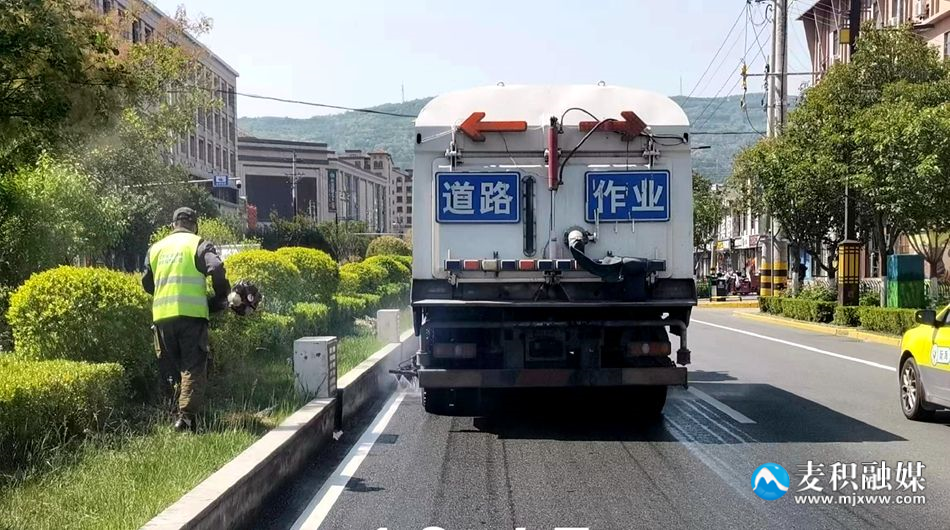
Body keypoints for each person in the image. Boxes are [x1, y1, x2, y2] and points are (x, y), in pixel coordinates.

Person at [142, 207, 230, 432]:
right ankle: (186, 418)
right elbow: (216, 267)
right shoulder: (198, 244)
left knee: (171, 367)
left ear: (173, 225)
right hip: (192, 317)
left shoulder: (156, 248)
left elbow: (147, 283)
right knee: (192, 366)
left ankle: (174, 415)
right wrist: (221, 296)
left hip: (162, 317)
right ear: (195, 226)